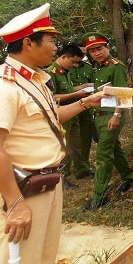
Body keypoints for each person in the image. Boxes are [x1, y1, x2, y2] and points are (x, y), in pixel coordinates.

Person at [0, 3, 107, 264]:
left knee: (43, 256)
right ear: (28, 43)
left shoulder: (35, 80)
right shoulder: (3, 87)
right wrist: (14, 204)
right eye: (50, 40)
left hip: (46, 183)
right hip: (22, 189)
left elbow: (51, 116)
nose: (56, 48)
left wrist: (85, 103)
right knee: (22, 259)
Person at [81, 32, 133, 211]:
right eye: (92, 51)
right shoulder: (96, 68)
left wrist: (117, 116)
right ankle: (129, 177)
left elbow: (123, 94)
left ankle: (100, 196)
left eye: (99, 48)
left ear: (107, 47)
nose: (96, 53)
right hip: (99, 115)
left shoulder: (116, 66)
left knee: (103, 154)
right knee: (113, 147)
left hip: (112, 115)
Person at [46, 44, 92, 188]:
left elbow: (69, 88)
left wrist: (85, 86)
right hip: (61, 116)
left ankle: (81, 170)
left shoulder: (65, 72)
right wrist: (75, 95)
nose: (74, 65)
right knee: (64, 147)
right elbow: (52, 97)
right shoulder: (50, 73)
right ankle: (62, 177)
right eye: (72, 62)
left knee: (76, 145)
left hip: (73, 115)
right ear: (64, 57)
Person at [68, 42, 95, 179]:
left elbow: (93, 85)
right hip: (69, 108)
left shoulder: (89, 67)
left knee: (85, 138)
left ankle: (83, 166)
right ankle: (66, 170)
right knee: (71, 140)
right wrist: (82, 87)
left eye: (85, 54)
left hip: (86, 108)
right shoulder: (65, 67)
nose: (83, 56)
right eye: (81, 54)